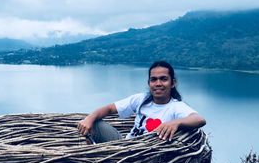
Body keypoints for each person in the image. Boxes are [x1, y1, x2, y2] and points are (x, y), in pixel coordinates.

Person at [78, 61, 206, 143]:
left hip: (146, 155)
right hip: (123, 146)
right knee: (94, 123)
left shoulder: (176, 107)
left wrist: (175, 123)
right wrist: (89, 118)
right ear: (149, 83)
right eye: (154, 79)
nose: (158, 84)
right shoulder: (141, 99)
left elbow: (199, 119)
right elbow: (110, 108)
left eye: (164, 79)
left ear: (173, 83)